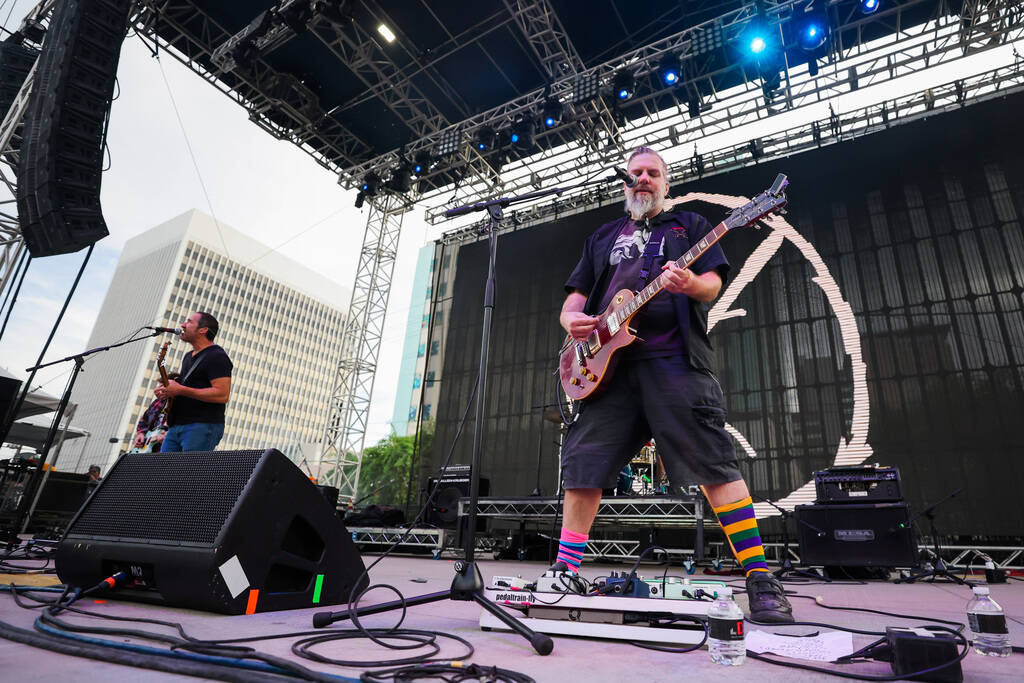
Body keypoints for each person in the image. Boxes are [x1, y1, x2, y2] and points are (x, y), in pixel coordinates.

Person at [555, 146, 793, 623]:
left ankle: (759, 577)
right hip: (608, 372)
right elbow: (573, 304)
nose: (643, 179)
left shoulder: (692, 227)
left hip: (674, 362)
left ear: (666, 183)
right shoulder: (603, 236)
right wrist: (575, 323)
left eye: (653, 174)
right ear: (626, 183)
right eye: (636, 173)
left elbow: (711, 285)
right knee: (583, 467)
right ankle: (564, 572)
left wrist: (688, 285)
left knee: (714, 462)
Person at [154, 312, 232, 452]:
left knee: (189, 473)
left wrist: (180, 390)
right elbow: (187, 389)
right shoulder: (188, 357)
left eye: (189, 322)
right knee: (164, 472)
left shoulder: (217, 356)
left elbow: (222, 394)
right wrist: (168, 390)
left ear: (203, 330)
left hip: (201, 426)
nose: (183, 325)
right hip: (175, 427)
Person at [130, 372, 180, 452]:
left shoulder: (182, 404)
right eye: (160, 385)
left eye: (163, 385)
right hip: (148, 450)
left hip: (168, 450)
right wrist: (141, 434)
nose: (159, 389)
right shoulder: (158, 402)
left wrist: (169, 435)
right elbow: (143, 420)